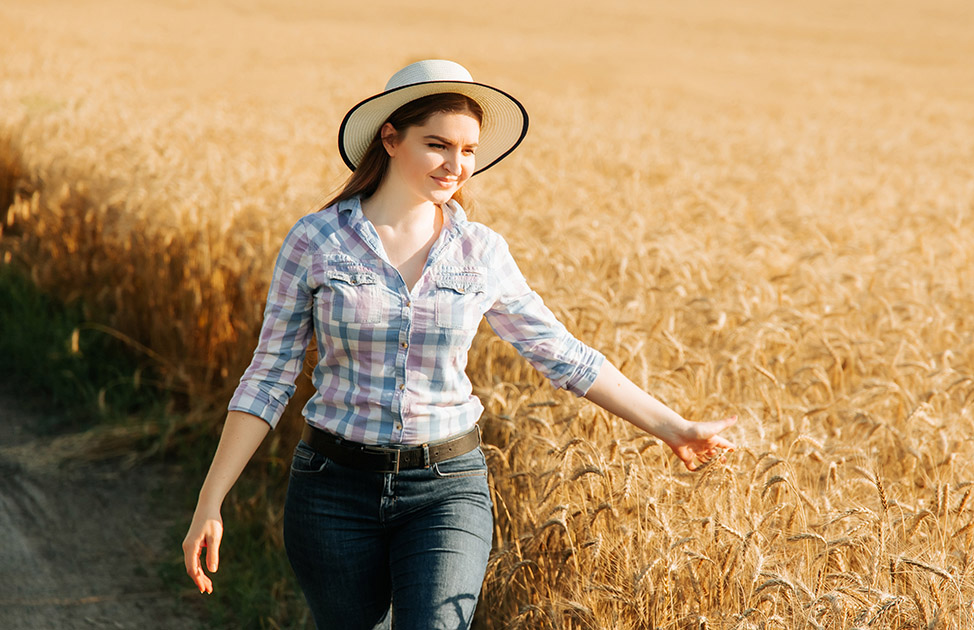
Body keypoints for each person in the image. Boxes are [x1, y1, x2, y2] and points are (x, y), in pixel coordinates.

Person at [182, 59, 737, 630]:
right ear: (390, 139)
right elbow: (270, 376)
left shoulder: (481, 251)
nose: (456, 165)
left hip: (447, 487)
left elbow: (561, 354)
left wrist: (673, 427)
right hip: (332, 489)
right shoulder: (317, 240)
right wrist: (211, 501)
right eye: (438, 145)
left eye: (468, 150)